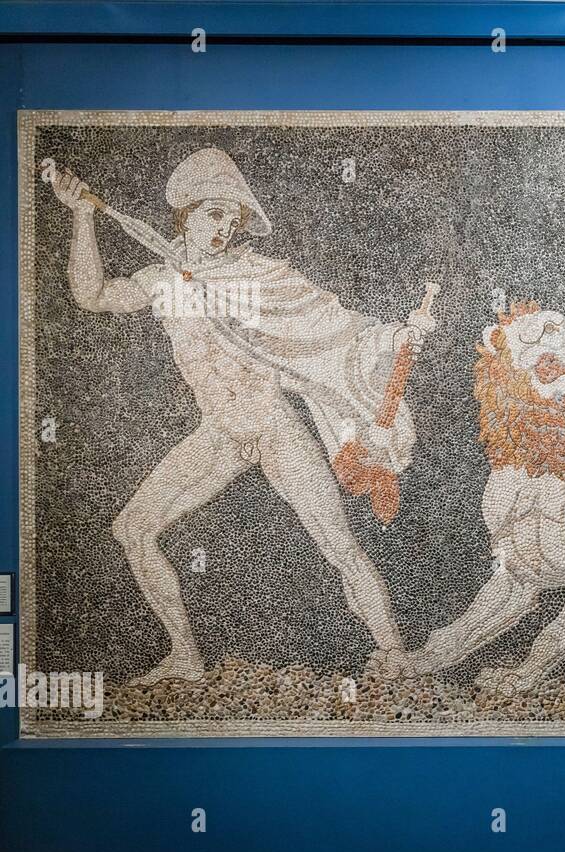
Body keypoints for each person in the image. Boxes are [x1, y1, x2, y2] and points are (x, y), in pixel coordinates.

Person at [53, 147, 430, 684]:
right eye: (215, 213)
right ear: (185, 214)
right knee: (133, 530)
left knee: (339, 545)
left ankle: (397, 655)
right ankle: (186, 658)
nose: (226, 228)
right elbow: (91, 294)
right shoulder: (162, 280)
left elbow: (331, 328)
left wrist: (395, 336)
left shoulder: (258, 276)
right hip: (220, 434)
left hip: (275, 430)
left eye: (234, 219)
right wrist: (82, 215)